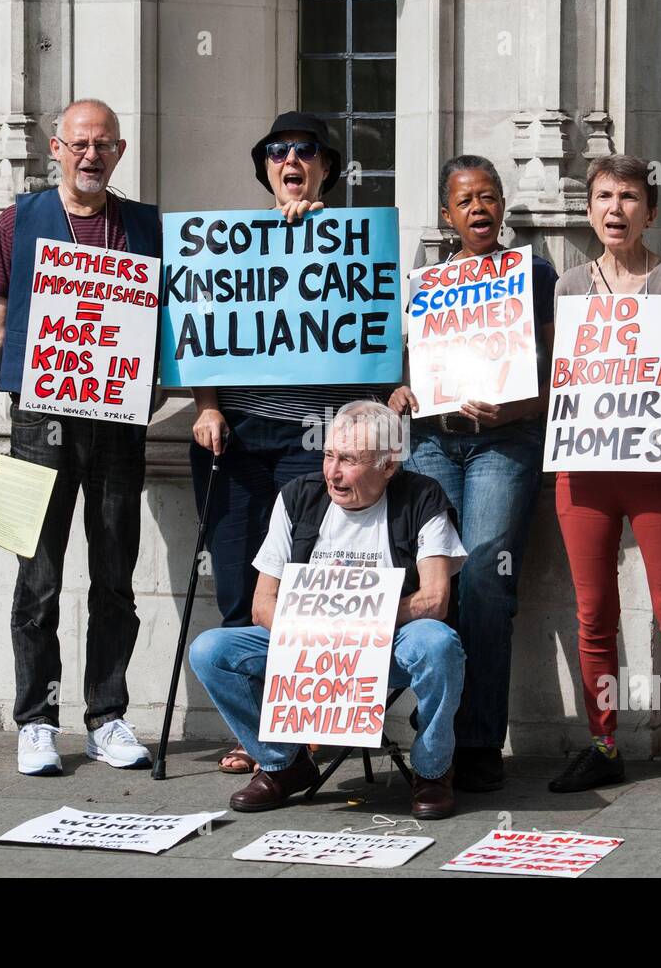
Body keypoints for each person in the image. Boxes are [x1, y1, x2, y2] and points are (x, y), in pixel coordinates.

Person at [0, 98, 159, 776]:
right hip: (38, 422)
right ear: (55, 148)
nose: (91, 155)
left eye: (103, 144)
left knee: (114, 578)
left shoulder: (144, 228)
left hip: (117, 425)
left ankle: (107, 716)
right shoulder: (19, 223)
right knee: (37, 578)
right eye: (79, 143)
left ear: (120, 151)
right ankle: (37, 719)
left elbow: (174, 325)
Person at [190, 112, 387, 775]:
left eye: (304, 151)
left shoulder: (350, 239)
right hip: (238, 436)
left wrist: (329, 239)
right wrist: (208, 407)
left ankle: (304, 720)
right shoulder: (229, 242)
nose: (290, 160)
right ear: (267, 166)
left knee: (305, 585)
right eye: (278, 151)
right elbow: (199, 332)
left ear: (326, 166)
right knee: (240, 585)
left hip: (313, 439)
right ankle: (257, 729)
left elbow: (375, 334)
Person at [188, 401, 467, 819]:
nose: (333, 473)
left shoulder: (422, 497)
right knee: (210, 650)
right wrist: (319, 627)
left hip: (388, 644)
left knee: (439, 643)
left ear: (388, 467)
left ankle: (431, 771)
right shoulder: (298, 496)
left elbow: (433, 599)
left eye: (350, 461)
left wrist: (360, 620)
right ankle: (284, 763)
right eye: (329, 455)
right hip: (309, 642)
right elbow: (263, 605)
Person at [546, 154, 661, 801]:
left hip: (658, 469)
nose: (615, 208)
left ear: (651, 210)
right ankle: (604, 745)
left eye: (628, 197)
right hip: (583, 472)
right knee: (594, 614)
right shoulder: (568, 288)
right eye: (603, 196)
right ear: (589, 209)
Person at [386, 155, 557, 792]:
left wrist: (514, 404)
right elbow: (409, 364)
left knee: (485, 577)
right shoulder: (427, 282)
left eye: (488, 196)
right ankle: (438, 738)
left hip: (502, 442)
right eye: (465, 200)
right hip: (431, 444)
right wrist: (402, 392)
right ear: (446, 214)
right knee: (437, 585)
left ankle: (482, 741)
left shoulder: (532, 272)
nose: (479, 209)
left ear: (503, 205)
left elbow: (558, 368)